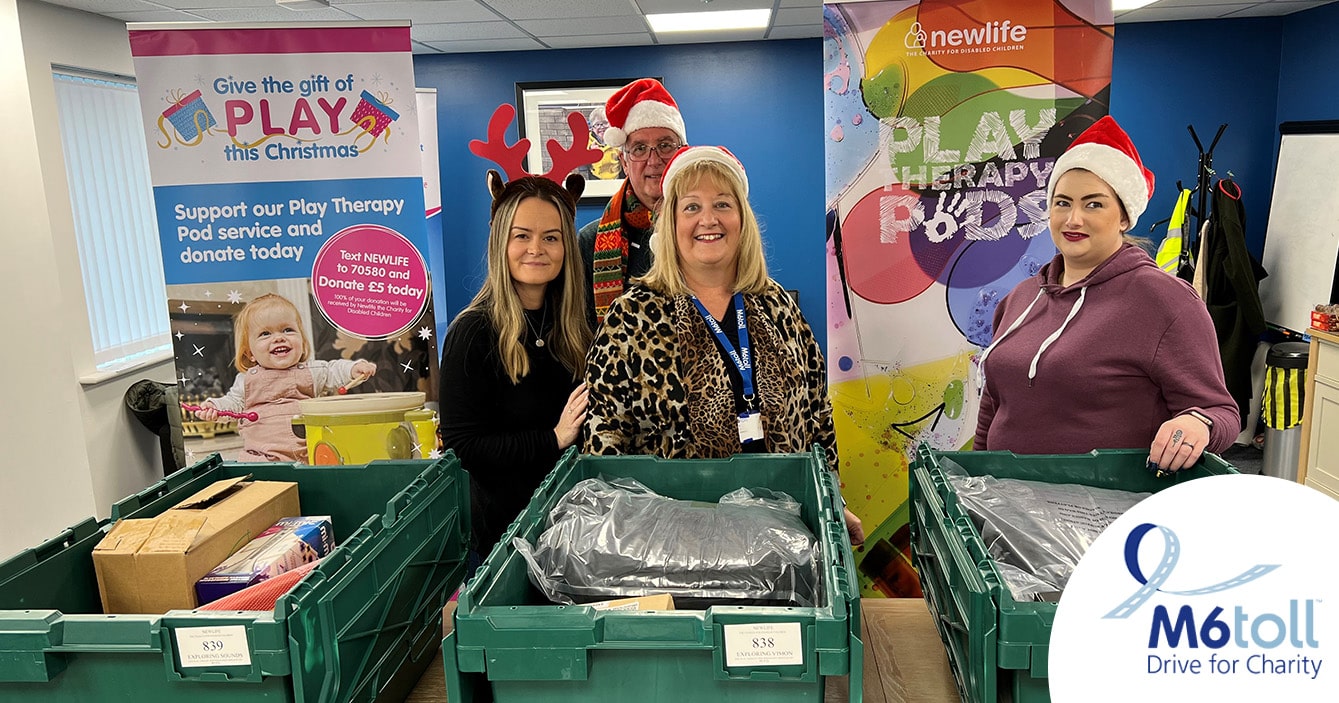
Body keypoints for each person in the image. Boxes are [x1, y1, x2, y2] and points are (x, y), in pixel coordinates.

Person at [584, 146, 864, 544]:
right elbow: (605, 440)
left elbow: (818, 421)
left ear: (742, 219)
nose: (709, 219)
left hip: (784, 538)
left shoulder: (778, 307)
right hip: (672, 546)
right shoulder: (630, 317)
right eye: (691, 207)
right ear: (670, 223)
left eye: (722, 204)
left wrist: (833, 500)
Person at [974, 116, 1240, 473]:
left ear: (1124, 217)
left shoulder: (1165, 301)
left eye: (1094, 204)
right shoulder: (1021, 298)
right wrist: (974, 476)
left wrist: (1197, 423)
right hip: (1007, 497)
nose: (1073, 219)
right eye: (1062, 203)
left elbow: (1220, 412)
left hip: (1104, 503)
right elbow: (993, 406)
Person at [439, 173, 592, 557]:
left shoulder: (578, 328)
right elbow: (463, 447)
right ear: (500, 242)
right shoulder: (472, 332)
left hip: (579, 526)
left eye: (551, 237)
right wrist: (553, 439)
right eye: (522, 235)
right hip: (509, 538)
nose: (536, 249)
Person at [196, 293, 377, 463]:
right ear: (250, 353)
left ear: (302, 342)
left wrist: (354, 369)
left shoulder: (312, 371)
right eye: (265, 334)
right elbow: (233, 403)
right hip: (261, 459)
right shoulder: (247, 380)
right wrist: (215, 408)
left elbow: (333, 370)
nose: (279, 338)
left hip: (308, 457)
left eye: (287, 330)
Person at [578, 78, 687, 325]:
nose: (654, 160)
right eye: (639, 148)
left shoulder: (705, 230)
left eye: (665, 145)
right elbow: (580, 328)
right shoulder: (589, 241)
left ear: (682, 153)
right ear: (624, 162)